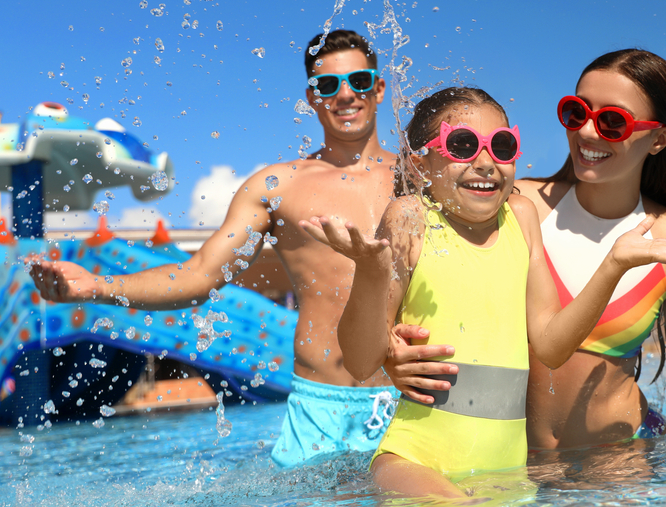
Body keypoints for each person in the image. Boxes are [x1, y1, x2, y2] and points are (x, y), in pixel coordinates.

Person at [300, 86, 666, 497]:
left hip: (509, 477)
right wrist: (372, 272)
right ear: (418, 163)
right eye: (461, 146)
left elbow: (551, 345)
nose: (485, 163)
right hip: (415, 459)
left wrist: (613, 266)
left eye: (501, 146)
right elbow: (359, 361)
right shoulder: (411, 217)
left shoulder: (520, 215)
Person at [29, 29, 400, 468]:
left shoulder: (417, 179)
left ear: (378, 87)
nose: (344, 95)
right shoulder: (277, 186)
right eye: (327, 85)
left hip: (409, 399)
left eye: (358, 82)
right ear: (311, 97)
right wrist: (94, 285)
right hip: (322, 409)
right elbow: (199, 274)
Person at [385, 49, 666, 450]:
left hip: (622, 460)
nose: (586, 132)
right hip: (515, 460)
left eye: (612, 122)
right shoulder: (516, 205)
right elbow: (423, 277)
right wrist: (388, 354)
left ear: (659, 139)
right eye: (576, 112)